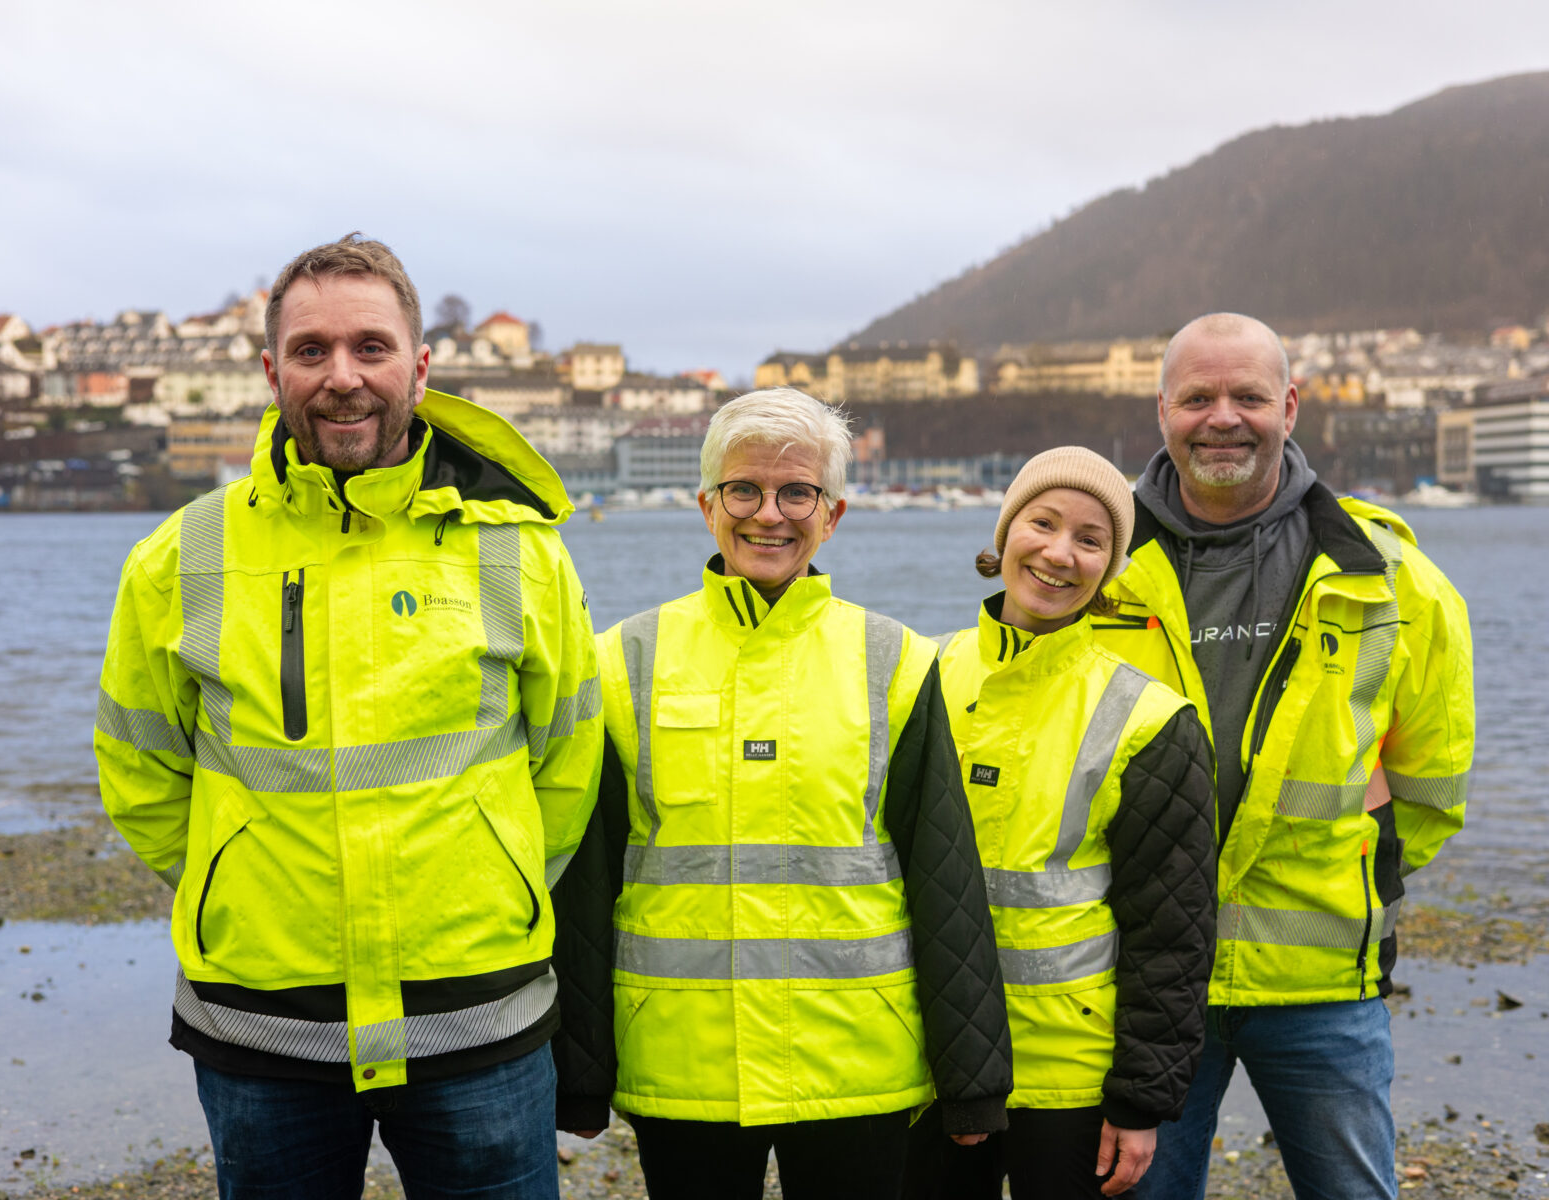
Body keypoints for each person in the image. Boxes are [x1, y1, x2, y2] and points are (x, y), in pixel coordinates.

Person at [94, 234, 602, 1199]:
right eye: (311, 350)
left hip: (478, 1018)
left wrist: (498, 879)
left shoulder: (519, 552)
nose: (342, 377)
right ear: (271, 372)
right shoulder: (181, 557)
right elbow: (139, 768)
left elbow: (568, 761)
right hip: (261, 1026)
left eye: (371, 347)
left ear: (420, 366)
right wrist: (228, 879)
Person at [551, 387, 1013, 1200]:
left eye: (797, 492)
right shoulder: (621, 660)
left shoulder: (896, 661)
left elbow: (945, 878)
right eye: (744, 490)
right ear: (707, 505)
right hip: (681, 1060)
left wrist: (971, 1078)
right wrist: (580, 1070)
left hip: (857, 1062)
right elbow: (586, 882)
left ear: (833, 515)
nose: (769, 514)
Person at [1091, 313, 1474, 1200]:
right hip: (1144, 979)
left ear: (1291, 407)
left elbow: (1433, 788)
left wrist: (1356, 875)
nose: (1223, 417)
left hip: (1321, 982)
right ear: (1162, 411)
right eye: (1198, 397)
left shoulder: (1392, 578)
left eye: (1249, 396)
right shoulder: (1095, 568)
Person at [903, 448, 1217, 1199]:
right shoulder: (916, 677)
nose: (1059, 553)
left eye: (1090, 539)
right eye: (1042, 523)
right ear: (1005, 532)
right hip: (925, 1056)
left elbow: (1172, 934)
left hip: (1071, 1076)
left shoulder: (1150, 719)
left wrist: (1141, 1101)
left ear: (1110, 569)